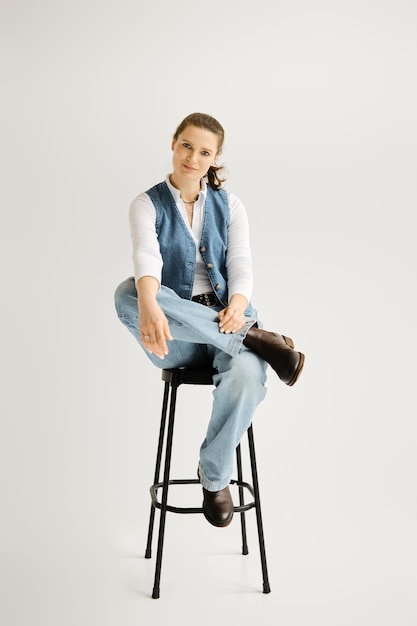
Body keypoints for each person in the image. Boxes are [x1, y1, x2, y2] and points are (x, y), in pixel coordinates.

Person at [114, 112, 304, 528]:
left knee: (246, 378)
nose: (192, 158)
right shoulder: (146, 203)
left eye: (204, 152)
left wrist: (238, 305)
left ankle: (214, 477)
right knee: (128, 293)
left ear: (215, 157)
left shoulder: (230, 204)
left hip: (227, 320)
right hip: (173, 333)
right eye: (186, 146)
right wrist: (149, 303)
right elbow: (146, 255)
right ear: (173, 143)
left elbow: (241, 264)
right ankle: (258, 340)